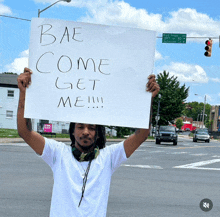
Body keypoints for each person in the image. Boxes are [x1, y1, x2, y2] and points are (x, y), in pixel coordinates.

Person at [17, 67, 160, 217]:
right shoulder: (58, 153)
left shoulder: (108, 157)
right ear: (72, 131)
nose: (85, 131)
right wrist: (23, 93)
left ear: (98, 134)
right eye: (80, 127)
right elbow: (24, 132)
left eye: (91, 128)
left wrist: (147, 100)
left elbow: (142, 135)